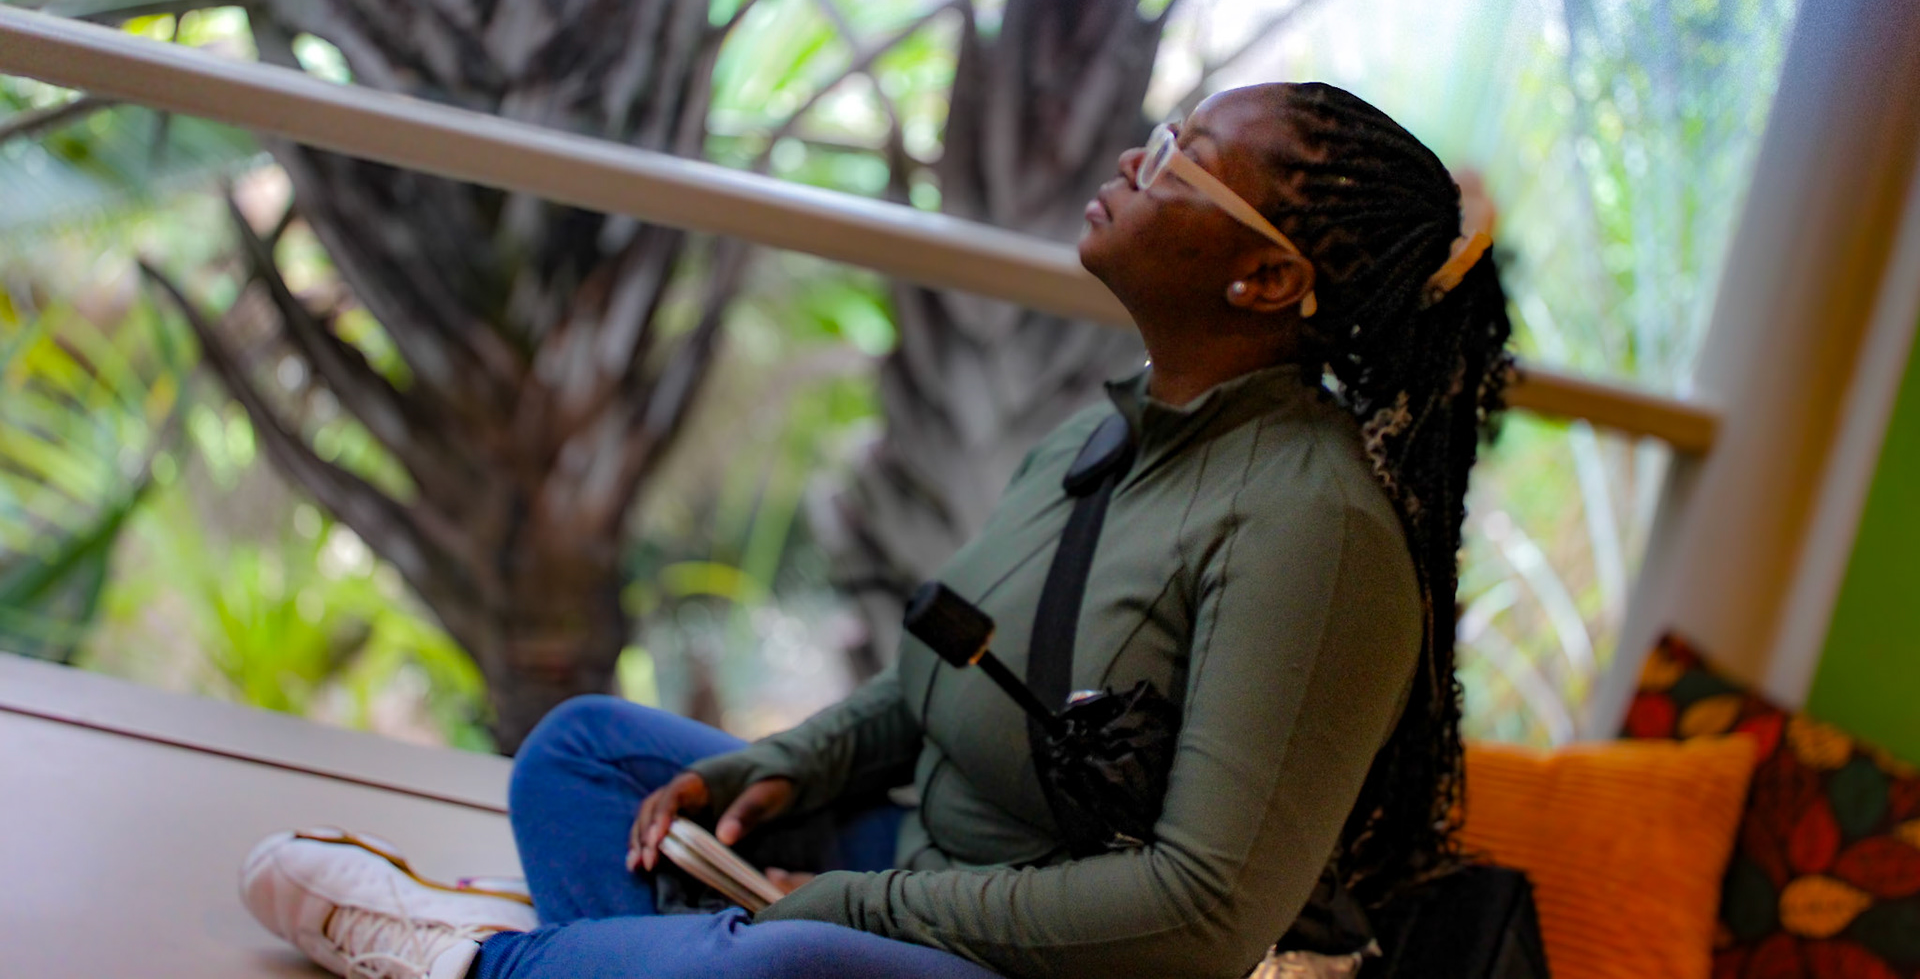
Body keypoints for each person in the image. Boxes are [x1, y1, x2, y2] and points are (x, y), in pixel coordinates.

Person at [239, 81, 1512, 979]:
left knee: (787, 960)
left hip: (1073, 957)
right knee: (586, 758)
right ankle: (628, 962)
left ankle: (466, 955)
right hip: (935, 854)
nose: (1139, 151)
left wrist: (862, 905)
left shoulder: (1315, 531)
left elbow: (1197, 919)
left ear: (1270, 280)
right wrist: (776, 766)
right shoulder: (1103, 435)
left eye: (1184, 151)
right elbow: (925, 689)